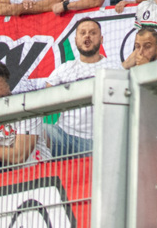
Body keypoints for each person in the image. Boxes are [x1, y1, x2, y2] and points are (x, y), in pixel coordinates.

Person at [42, 17, 119, 157]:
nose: (87, 36)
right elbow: (47, 96)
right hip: (64, 136)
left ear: (101, 39)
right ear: (76, 39)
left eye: (92, 33)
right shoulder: (64, 69)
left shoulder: (114, 68)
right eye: (82, 33)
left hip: (97, 140)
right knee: (40, 130)